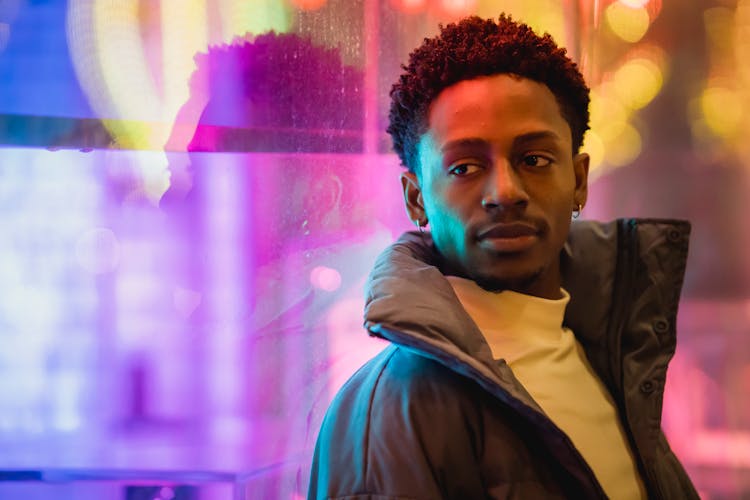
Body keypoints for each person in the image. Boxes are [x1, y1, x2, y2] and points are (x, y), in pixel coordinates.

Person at [308, 14, 699, 499]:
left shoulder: (611, 354)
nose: (506, 192)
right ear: (415, 198)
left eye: (534, 159)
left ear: (578, 180)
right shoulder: (390, 408)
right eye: (465, 166)